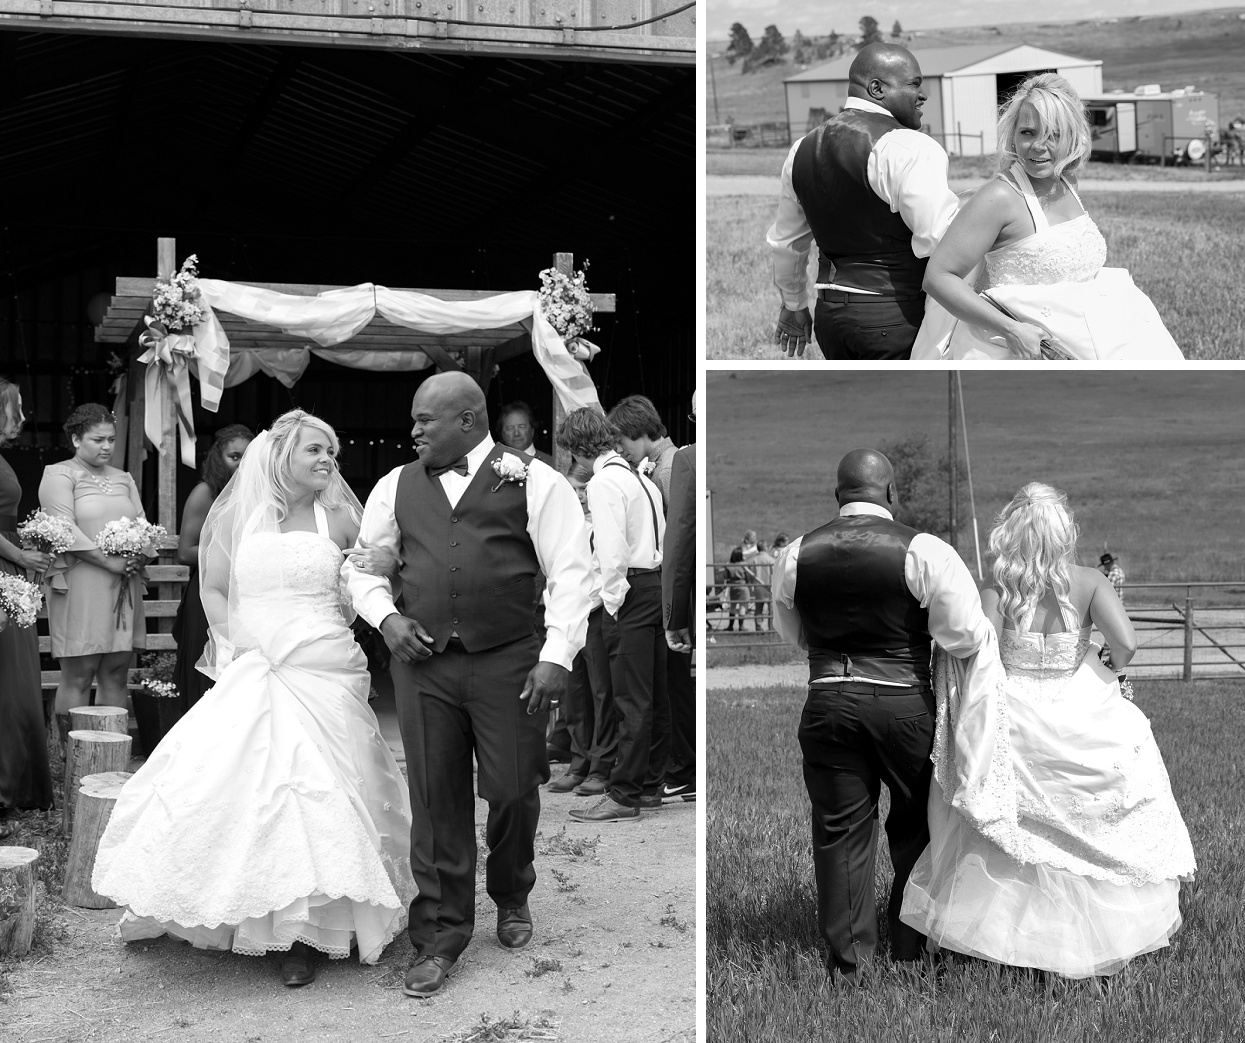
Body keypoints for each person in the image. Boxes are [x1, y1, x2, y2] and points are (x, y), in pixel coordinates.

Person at [92, 410, 415, 988]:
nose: (327, 461)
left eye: (331, 452)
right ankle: (250, 908)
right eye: (315, 450)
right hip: (258, 663)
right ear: (282, 454)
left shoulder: (340, 516)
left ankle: (307, 930)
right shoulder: (241, 516)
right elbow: (214, 589)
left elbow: (361, 585)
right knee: (252, 789)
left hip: (324, 667)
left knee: (323, 791)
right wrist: (245, 643)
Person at [347, 372, 592, 998]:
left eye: (425, 420)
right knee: (435, 796)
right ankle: (441, 934)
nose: (414, 431)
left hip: (511, 659)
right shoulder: (392, 486)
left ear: (467, 420)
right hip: (423, 662)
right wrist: (387, 617)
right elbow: (362, 566)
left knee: (512, 787)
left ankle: (511, 889)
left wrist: (556, 654)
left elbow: (571, 571)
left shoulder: (535, 479)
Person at [900, 484, 1195, 977]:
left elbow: (978, 648)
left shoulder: (996, 586)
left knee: (1009, 823)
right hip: (1079, 702)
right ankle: (1089, 939)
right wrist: (1105, 662)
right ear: (1064, 532)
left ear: (1011, 532)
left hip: (1013, 711)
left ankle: (1004, 938)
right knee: (1095, 816)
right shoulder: (1089, 581)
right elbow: (1126, 644)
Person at [771, 448, 997, 983]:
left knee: (840, 831)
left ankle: (849, 967)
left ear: (838, 495)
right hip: (903, 703)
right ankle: (911, 945)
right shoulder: (924, 550)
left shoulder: (796, 553)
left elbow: (793, 633)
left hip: (826, 698)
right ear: (891, 494)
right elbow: (963, 635)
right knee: (919, 823)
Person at [912, 75, 1183, 360]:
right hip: (1024, 350)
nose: (1039, 145)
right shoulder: (1000, 197)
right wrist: (1012, 329)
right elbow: (939, 277)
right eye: (1028, 132)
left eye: (1053, 134)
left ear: (1072, 137)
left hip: (1103, 339)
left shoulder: (1067, 182)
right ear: (1013, 135)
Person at [767, 43, 959, 360]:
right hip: (895, 315)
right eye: (914, 83)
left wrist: (794, 305)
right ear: (876, 88)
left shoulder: (800, 149)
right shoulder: (910, 147)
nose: (923, 95)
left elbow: (785, 243)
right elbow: (943, 243)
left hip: (830, 320)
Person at [556, 407, 667, 823]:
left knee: (629, 699)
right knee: (654, 695)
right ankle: (650, 784)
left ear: (580, 450)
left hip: (629, 593)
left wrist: (611, 602)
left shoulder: (604, 482)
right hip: (654, 585)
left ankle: (623, 795)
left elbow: (612, 551)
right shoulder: (642, 477)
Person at [39, 403, 150, 754]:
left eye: (111, 440)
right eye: (97, 439)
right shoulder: (59, 474)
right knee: (80, 671)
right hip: (81, 579)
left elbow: (143, 523)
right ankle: (71, 754)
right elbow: (62, 528)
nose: (106, 446)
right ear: (76, 438)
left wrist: (139, 553)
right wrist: (110, 562)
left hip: (124, 582)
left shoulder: (123, 477)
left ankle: (110, 752)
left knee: (117, 670)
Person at [167, 424, 253, 730]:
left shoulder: (260, 495)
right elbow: (185, 550)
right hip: (207, 594)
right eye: (234, 456)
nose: (242, 463)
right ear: (219, 457)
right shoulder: (206, 492)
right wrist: (231, 558)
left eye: (248, 456)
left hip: (247, 596)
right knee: (207, 673)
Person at [0, 378, 53, 835]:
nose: (21, 412)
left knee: (15, 683)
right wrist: (19, 556)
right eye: (15, 404)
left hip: (9, 570)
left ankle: (13, 787)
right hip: (3, 568)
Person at [547, 463, 617, 799]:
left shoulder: (600, 525)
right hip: (570, 615)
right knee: (573, 695)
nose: (580, 497)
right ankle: (579, 761)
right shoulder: (567, 527)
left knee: (600, 692)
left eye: (584, 490)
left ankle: (602, 764)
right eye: (574, 490)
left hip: (596, 612)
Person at [660, 440, 695, 803]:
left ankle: (687, 770)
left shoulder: (684, 460)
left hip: (689, 601)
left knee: (684, 689)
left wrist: (674, 614)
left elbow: (680, 538)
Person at [606, 395, 679, 509]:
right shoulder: (663, 462)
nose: (619, 450)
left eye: (620, 441)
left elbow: (678, 521)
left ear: (636, 430)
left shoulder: (667, 468)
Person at [496, 400, 554, 466]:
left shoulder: (551, 464)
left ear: (532, 430)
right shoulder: (495, 465)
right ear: (502, 433)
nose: (516, 433)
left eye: (521, 427)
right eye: (510, 428)